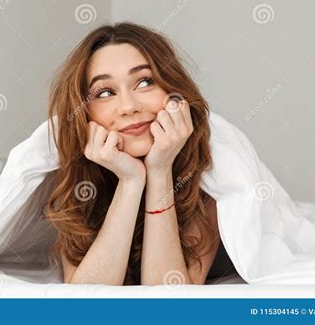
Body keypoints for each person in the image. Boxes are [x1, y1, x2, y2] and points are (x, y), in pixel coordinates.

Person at [43, 21, 236, 286]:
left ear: (173, 93)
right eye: (105, 92)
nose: (128, 106)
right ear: (85, 113)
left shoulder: (208, 173)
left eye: (145, 82)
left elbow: (169, 301)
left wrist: (160, 171)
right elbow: (85, 300)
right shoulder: (80, 181)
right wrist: (131, 181)